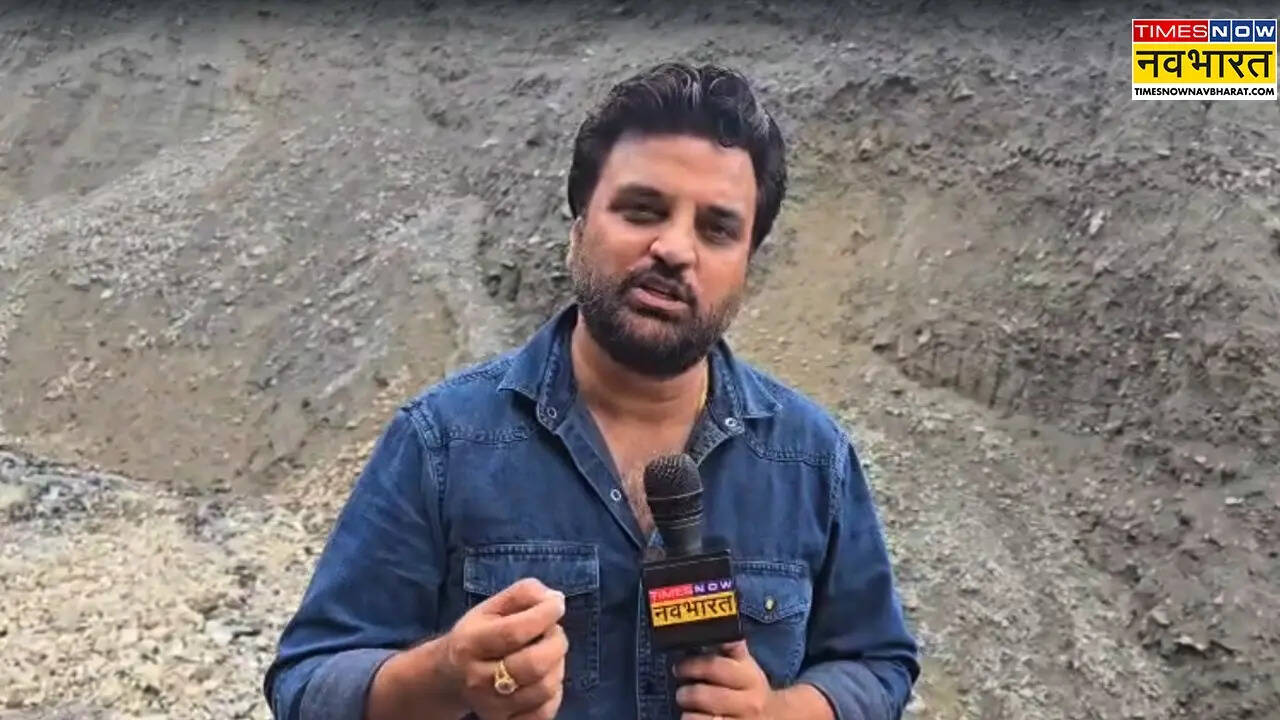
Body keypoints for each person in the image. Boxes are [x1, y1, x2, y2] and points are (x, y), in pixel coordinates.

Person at [263, 61, 920, 720]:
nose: (674, 248)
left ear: (747, 263)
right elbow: (307, 683)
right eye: (642, 210)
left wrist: (779, 712)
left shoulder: (812, 458)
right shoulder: (442, 441)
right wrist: (443, 675)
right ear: (579, 224)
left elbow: (877, 663)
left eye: (716, 229)